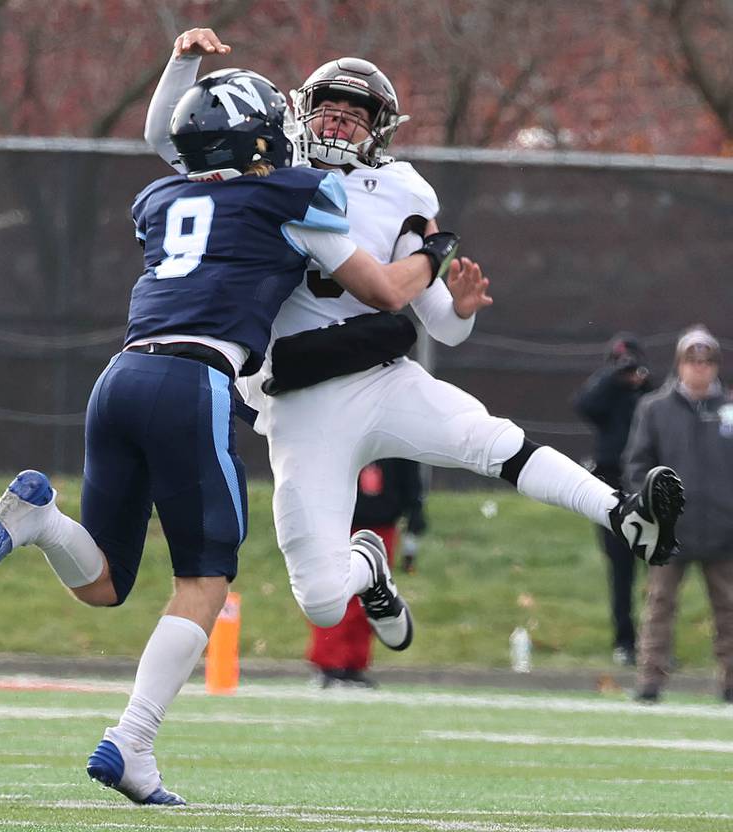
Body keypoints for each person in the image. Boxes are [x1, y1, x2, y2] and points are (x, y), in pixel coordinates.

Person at [0, 68, 472, 806]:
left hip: (121, 378)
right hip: (194, 382)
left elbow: (169, 142)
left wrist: (179, 67)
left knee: (104, 584)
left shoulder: (162, 197)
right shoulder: (290, 193)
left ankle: (43, 520)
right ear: (264, 136)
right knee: (204, 581)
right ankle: (132, 741)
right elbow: (389, 293)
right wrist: (435, 249)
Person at [145, 28, 684, 660]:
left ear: (380, 129)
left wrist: (460, 308)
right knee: (319, 596)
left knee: (491, 439)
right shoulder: (270, 164)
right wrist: (182, 65)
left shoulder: (402, 189)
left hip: (380, 377)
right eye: (330, 109)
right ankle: (368, 567)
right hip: (296, 402)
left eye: (355, 116)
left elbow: (440, 323)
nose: (340, 124)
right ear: (300, 110)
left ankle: (624, 512)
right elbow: (166, 139)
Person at [624, 326, 733, 703]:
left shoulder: (729, 410)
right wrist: (651, 508)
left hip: (724, 529)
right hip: (670, 530)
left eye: (707, 361)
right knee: (659, 606)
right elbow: (638, 464)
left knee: (729, 609)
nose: (699, 369)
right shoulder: (655, 409)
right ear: (679, 365)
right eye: (692, 361)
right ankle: (650, 679)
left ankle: (730, 681)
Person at [308, 458, 427, 688]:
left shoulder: (394, 428)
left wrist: (415, 507)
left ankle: (354, 663)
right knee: (335, 592)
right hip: (340, 522)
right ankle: (329, 662)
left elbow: (409, 467)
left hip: (382, 524)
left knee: (372, 596)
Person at [573, 333, 653, 666]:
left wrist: (638, 381)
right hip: (611, 485)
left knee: (658, 572)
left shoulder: (648, 397)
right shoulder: (605, 394)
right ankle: (625, 641)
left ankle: (655, 643)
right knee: (620, 571)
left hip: (646, 486)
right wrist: (613, 377)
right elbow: (583, 405)